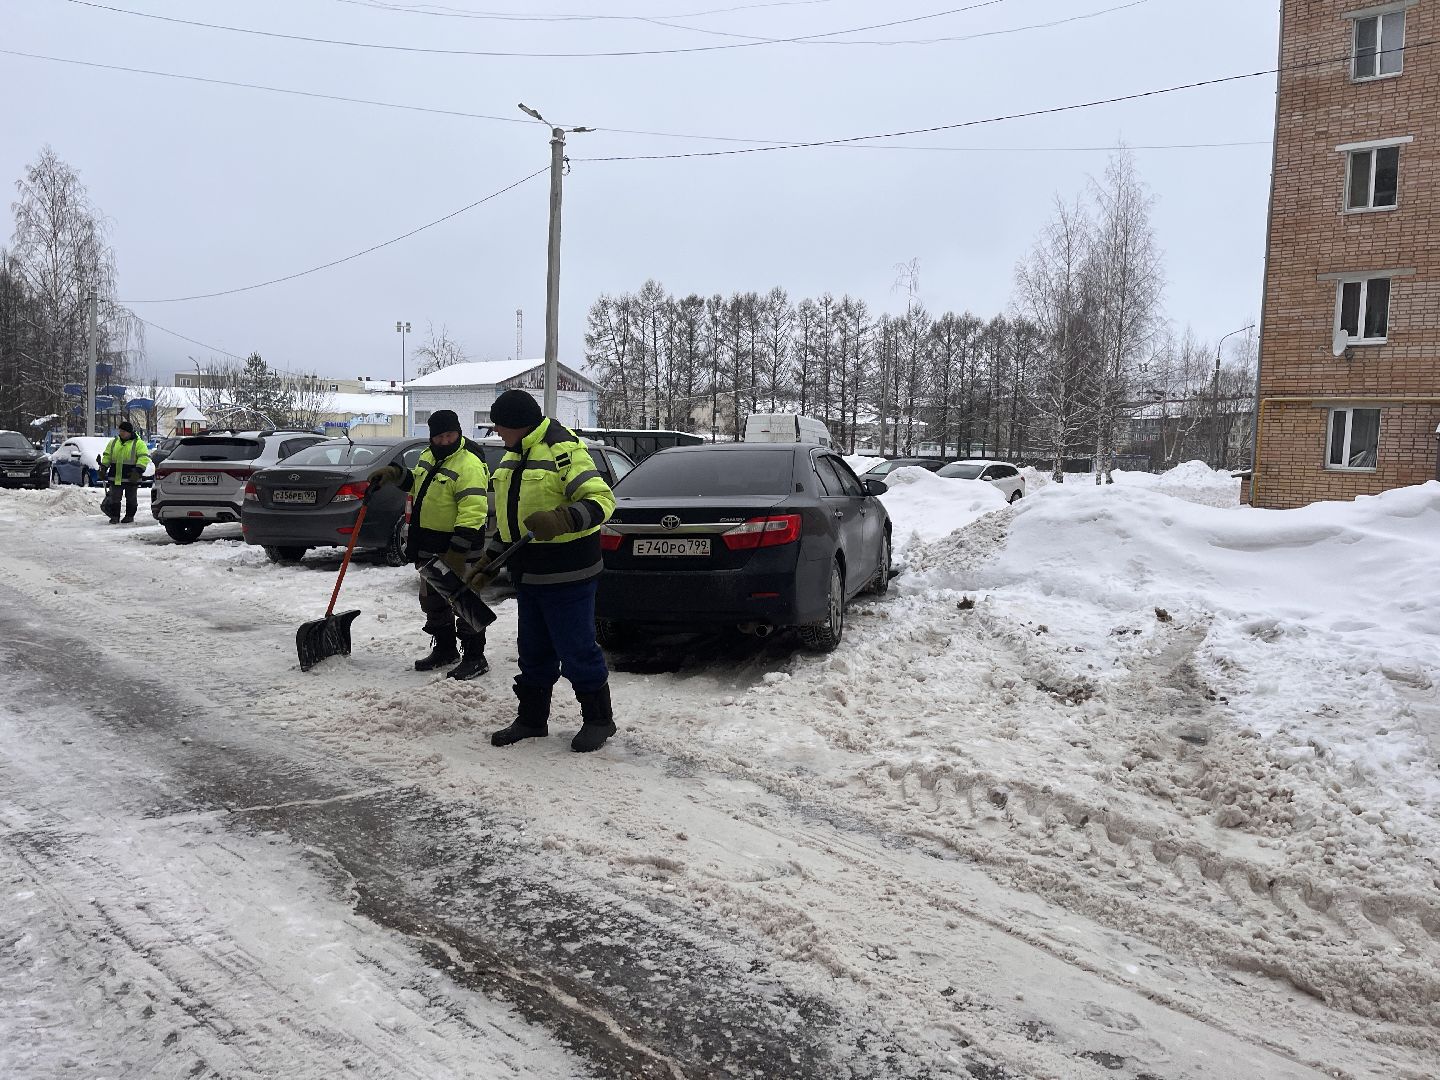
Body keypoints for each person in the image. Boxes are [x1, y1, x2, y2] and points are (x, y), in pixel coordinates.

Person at [482, 389, 618, 753]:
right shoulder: (513, 457)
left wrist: (563, 518)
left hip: (569, 573)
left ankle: (599, 720)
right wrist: (490, 559)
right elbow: (510, 522)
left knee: (576, 649)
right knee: (533, 650)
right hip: (528, 574)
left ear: (517, 424)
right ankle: (531, 719)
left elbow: (603, 501)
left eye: (499, 427)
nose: (497, 433)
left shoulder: (563, 450)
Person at [367, 410, 492, 680]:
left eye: (450, 435)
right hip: (430, 542)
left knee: (464, 602)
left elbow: (474, 510)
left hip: (459, 545)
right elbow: (419, 485)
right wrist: (394, 474)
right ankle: (446, 649)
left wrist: (458, 551)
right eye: (440, 436)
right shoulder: (427, 456)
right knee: (432, 599)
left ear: (458, 432)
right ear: (432, 437)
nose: (446, 440)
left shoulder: (469, 464)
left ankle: (475, 656)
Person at [100, 422, 152, 524]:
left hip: (131, 476)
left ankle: (129, 516)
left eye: (123, 431)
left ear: (129, 432)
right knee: (115, 498)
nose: (121, 433)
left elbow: (143, 458)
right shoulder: (113, 442)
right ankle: (115, 517)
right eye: (120, 430)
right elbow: (107, 456)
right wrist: (103, 468)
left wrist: (138, 471)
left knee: (131, 499)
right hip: (115, 476)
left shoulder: (139, 443)